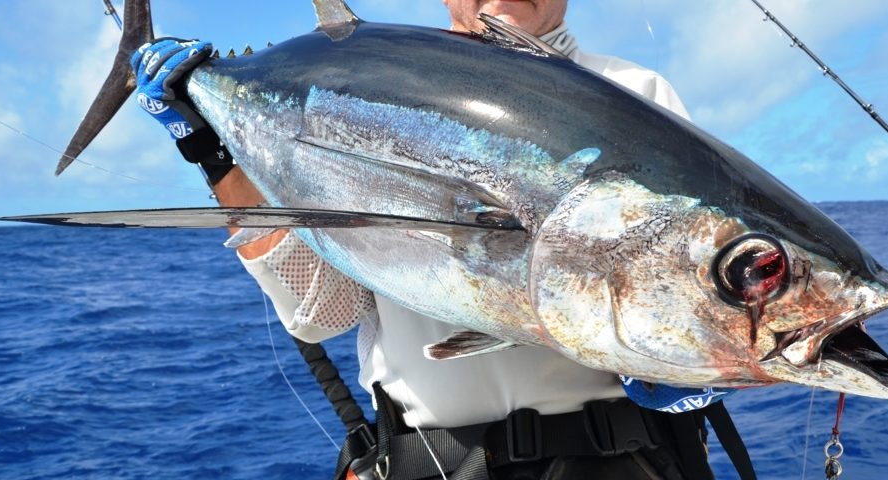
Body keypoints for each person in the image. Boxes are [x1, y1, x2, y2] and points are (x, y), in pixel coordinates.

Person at [132, 1, 752, 478]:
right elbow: (323, 312)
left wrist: (696, 364)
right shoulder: (353, 90)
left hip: (627, 462)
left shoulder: (639, 96)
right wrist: (213, 156)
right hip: (434, 462)